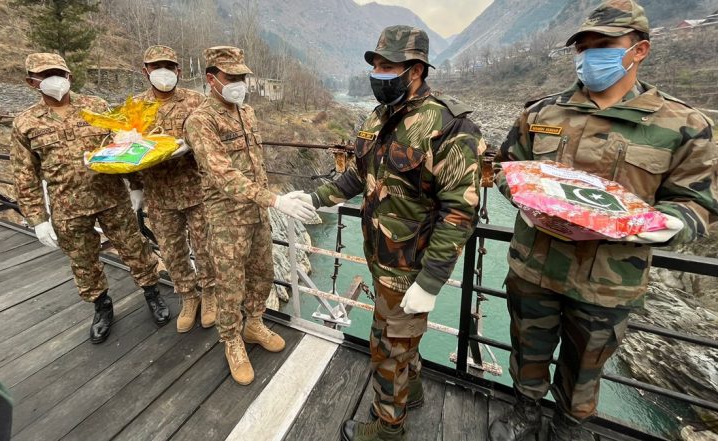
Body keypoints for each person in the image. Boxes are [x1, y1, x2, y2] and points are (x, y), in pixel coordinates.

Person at [489, 1, 718, 440]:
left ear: (639, 50)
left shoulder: (683, 125)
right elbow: (506, 167)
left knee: (585, 370)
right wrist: (521, 198)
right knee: (527, 350)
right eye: (584, 46)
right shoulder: (541, 114)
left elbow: (697, 206)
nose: (591, 55)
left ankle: (569, 428)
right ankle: (525, 413)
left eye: (605, 45)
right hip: (534, 267)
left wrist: (658, 224)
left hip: (608, 283)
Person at [301, 25, 485, 441]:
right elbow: (357, 176)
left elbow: (459, 212)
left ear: (416, 69)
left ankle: (388, 429)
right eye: (377, 65)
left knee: (387, 349)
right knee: (400, 344)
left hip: (411, 269)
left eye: (389, 66)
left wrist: (432, 281)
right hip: (379, 259)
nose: (379, 74)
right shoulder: (376, 117)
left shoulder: (450, 127)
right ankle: (412, 392)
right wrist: (314, 199)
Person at [11, 53, 170, 345]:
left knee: (136, 249)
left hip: (112, 198)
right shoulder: (25, 123)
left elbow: (125, 144)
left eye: (59, 73)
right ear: (31, 81)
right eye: (45, 75)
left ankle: (153, 295)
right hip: (67, 207)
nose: (55, 80)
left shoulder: (95, 107)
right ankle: (102, 308)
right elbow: (24, 176)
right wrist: (37, 219)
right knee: (84, 262)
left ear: (70, 76)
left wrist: (136, 186)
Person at [184, 46, 316, 386]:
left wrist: (275, 196)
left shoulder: (247, 113)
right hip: (226, 217)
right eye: (232, 78)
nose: (240, 83)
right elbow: (222, 174)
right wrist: (275, 200)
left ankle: (253, 323)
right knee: (229, 284)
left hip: (256, 212)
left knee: (263, 271)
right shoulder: (200, 121)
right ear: (212, 79)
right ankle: (231, 341)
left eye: (243, 77)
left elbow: (254, 165)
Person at [127, 45, 216, 333]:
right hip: (159, 194)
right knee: (173, 251)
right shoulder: (135, 107)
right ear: (146, 71)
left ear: (178, 70)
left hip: (197, 190)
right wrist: (135, 187)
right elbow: (129, 150)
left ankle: (210, 294)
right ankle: (189, 298)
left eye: (168, 66)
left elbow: (215, 137)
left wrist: (192, 145)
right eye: (156, 67)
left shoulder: (197, 101)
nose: (163, 72)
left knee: (206, 248)